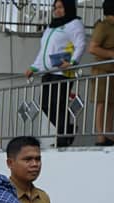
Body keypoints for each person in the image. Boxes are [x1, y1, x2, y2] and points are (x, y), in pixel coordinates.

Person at [24, 0, 86, 148]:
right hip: (48, 71)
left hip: (63, 72)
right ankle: (66, 131)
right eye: (55, 8)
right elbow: (43, 51)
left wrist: (72, 62)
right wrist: (34, 67)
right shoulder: (51, 27)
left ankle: (63, 137)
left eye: (61, 7)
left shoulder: (73, 24)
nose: (57, 10)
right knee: (46, 105)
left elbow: (81, 44)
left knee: (58, 105)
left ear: (68, 8)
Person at [88, 0, 114, 146]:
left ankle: (109, 133)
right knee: (102, 102)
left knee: (112, 103)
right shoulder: (103, 26)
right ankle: (101, 135)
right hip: (103, 70)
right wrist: (110, 54)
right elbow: (93, 48)